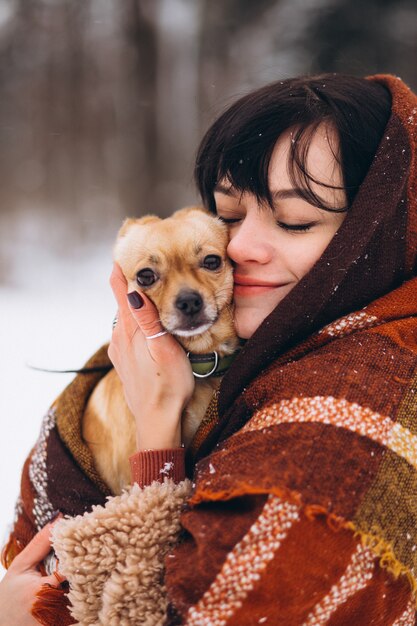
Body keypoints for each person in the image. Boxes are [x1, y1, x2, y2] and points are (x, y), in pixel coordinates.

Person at [1, 72, 417, 625]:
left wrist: (155, 431)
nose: (239, 247)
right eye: (229, 214)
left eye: (295, 220)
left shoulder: (348, 421)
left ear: (378, 231)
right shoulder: (242, 355)